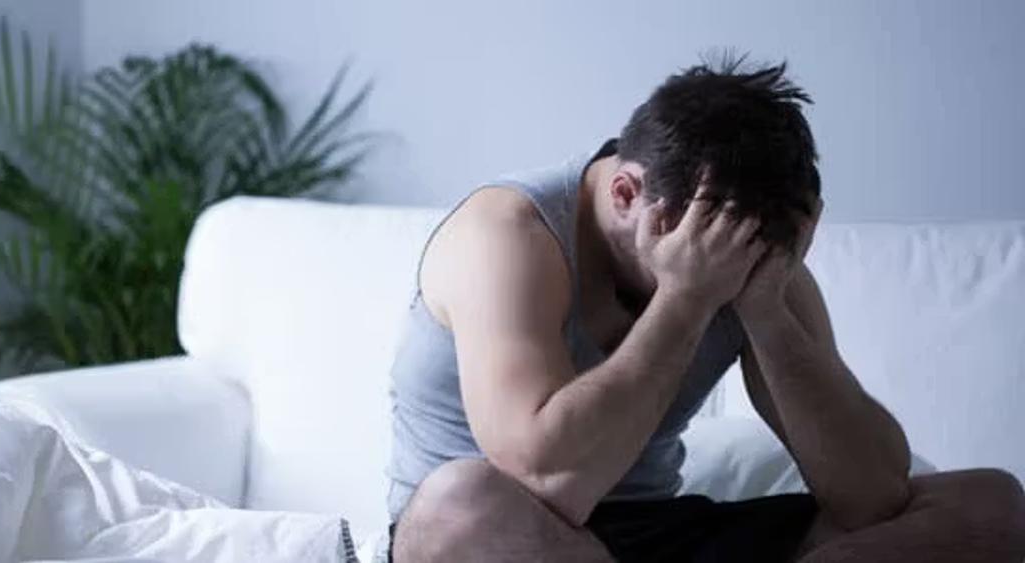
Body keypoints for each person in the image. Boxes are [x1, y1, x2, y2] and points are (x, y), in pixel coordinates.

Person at [383, 57, 1025, 562]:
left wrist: (767, 312)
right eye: (711, 245)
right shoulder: (506, 235)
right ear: (626, 193)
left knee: (990, 506)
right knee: (460, 507)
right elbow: (552, 483)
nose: (729, 265)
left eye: (748, 251)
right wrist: (686, 298)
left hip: (658, 531)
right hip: (515, 533)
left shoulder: (752, 257)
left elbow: (872, 497)